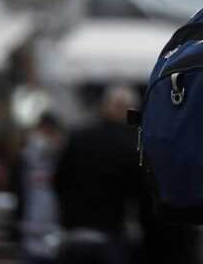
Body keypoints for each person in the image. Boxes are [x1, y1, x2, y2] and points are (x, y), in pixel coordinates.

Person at [52, 86, 141, 264]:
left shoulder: (77, 137)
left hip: (74, 234)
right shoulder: (130, 145)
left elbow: (59, 181)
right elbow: (137, 192)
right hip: (111, 236)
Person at [11, 112, 64, 264]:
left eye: (50, 132)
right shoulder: (25, 158)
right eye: (44, 131)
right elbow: (17, 189)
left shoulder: (63, 158)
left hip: (55, 228)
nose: (46, 138)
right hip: (29, 228)